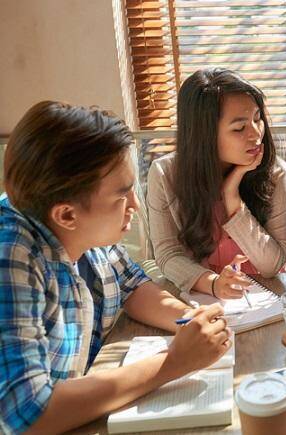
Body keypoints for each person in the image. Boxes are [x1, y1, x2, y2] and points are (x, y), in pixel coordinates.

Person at [0, 101, 232, 434]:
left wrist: (189, 321)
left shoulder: (82, 227)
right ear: (66, 215)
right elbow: (29, 414)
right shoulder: (11, 256)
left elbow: (131, 284)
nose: (135, 206)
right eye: (123, 195)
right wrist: (175, 362)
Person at [147, 68, 286, 299]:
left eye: (257, 119)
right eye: (239, 128)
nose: (256, 134)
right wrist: (214, 283)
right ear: (203, 134)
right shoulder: (165, 175)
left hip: (267, 295)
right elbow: (168, 253)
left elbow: (271, 265)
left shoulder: (277, 173)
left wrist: (231, 197)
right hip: (201, 294)